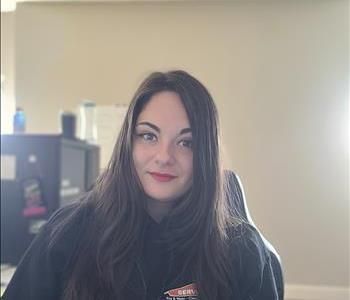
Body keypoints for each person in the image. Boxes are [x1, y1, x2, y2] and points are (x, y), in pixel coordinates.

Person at [3, 70, 279, 300]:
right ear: (128, 144)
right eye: (149, 136)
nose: (164, 157)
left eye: (187, 143)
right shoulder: (67, 232)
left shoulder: (242, 252)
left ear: (206, 155)